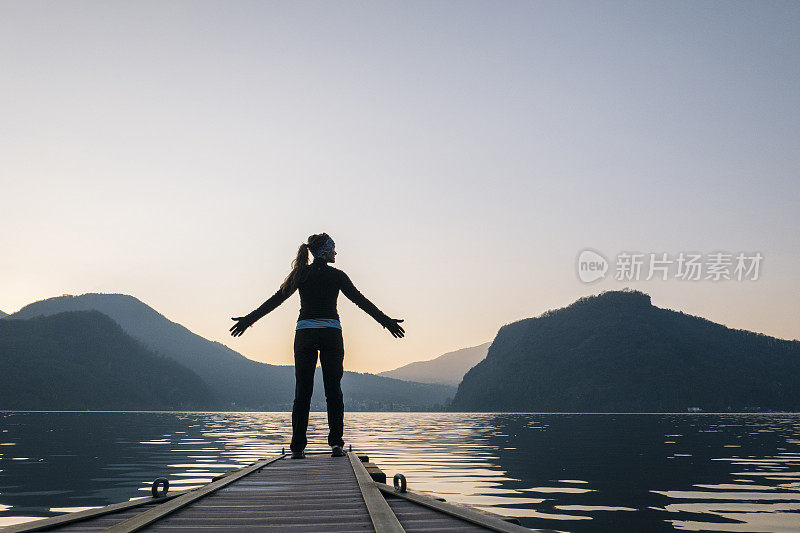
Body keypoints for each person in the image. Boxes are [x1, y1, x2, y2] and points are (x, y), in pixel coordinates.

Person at [229, 233, 405, 459]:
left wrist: (248, 320)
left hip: (305, 335)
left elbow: (276, 300)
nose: (336, 253)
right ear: (325, 251)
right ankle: (336, 445)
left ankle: (297, 448)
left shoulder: (301, 274)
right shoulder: (337, 276)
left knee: (303, 391)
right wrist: (387, 322)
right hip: (331, 334)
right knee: (334, 390)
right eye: (333, 249)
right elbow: (361, 301)